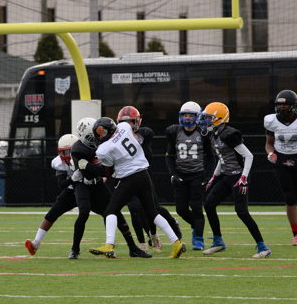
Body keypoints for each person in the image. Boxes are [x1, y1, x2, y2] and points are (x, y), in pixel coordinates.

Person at [87, 117, 186, 259]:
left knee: (110, 210)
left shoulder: (104, 149)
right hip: (144, 174)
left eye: (101, 133)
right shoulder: (124, 127)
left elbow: (108, 168)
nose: (100, 136)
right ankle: (176, 243)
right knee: (152, 212)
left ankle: (109, 245)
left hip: (129, 178)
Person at [70, 116, 152, 260]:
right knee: (83, 213)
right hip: (82, 184)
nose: (96, 138)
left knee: (114, 212)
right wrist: (105, 170)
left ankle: (133, 248)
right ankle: (74, 249)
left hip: (98, 183)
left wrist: (105, 169)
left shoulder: (105, 142)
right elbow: (88, 172)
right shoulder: (78, 150)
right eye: (91, 137)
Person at [198, 102, 271, 259]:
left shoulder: (229, 134)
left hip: (238, 175)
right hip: (226, 175)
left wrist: (244, 177)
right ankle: (218, 241)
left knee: (241, 211)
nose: (205, 121)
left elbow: (249, 156)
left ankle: (263, 247)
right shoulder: (213, 134)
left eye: (208, 118)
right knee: (209, 204)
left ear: (219, 118)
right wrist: (214, 177)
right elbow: (222, 158)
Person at [116, 105, 182, 252]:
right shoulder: (117, 137)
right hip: (127, 177)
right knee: (134, 209)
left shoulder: (144, 133)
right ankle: (143, 242)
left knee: (153, 209)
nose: (128, 125)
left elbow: (146, 135)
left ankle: (166, 227)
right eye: (124, 122)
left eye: (131, 121)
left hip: (144, 177)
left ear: (137, 121)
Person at [264, 89, 297, 245]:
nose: (281, 107)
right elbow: (269, 143)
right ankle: (296, 233)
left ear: (293, 105)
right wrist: (270, 153)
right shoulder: (271, 121)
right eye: (279, 105)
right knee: (290, 198)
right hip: (281, 160)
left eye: (285, 104)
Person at [165, 101, 213, 251]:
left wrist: (207, 176)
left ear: (197, 117)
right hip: (180, 174)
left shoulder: (203, 133)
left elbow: (210, 157)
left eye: (190, 115)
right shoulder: (174, 132)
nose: (187, 118)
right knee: (181, 209)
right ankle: (196, 225)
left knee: (197, 207)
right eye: (184, 115)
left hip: (197, 174)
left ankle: (198, 238)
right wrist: (173, 174)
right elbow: (169, 156)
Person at [24, 133, 78, 256]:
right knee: (51, 214)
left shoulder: (86, 155)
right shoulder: (59, 162)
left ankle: (110, 243)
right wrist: (73, 179)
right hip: (71, 191)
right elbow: (62, 184)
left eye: (70, 151)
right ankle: (36, 243)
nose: (67, 155)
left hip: (88, 189)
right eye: (64, 152)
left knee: (108, 212)